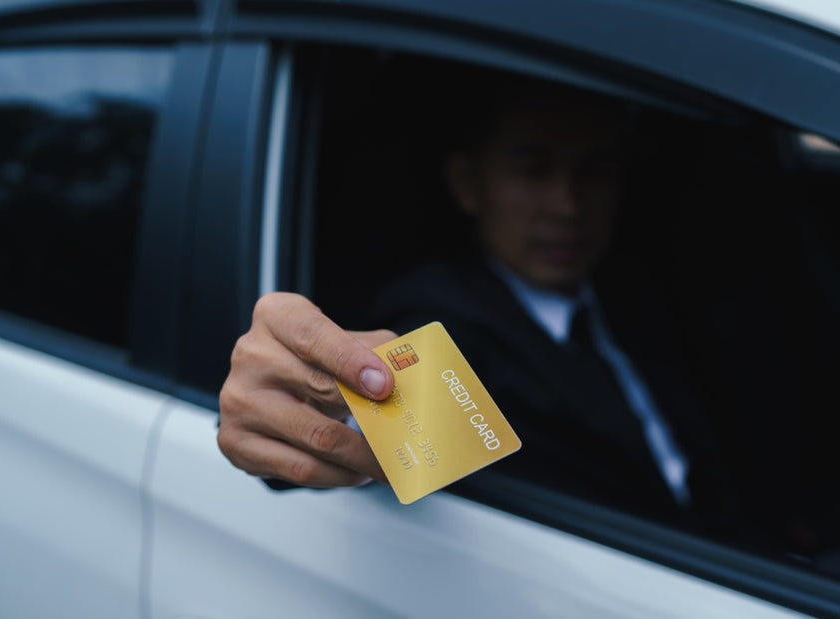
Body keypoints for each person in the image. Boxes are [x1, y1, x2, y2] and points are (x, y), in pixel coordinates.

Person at [218, 70, 744, 540]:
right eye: (534, 170)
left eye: (595, 171)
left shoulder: (643, 290)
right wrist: (311, 405)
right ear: (470, 184)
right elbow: (374, 416)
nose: (568, 205)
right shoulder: (443, 324)